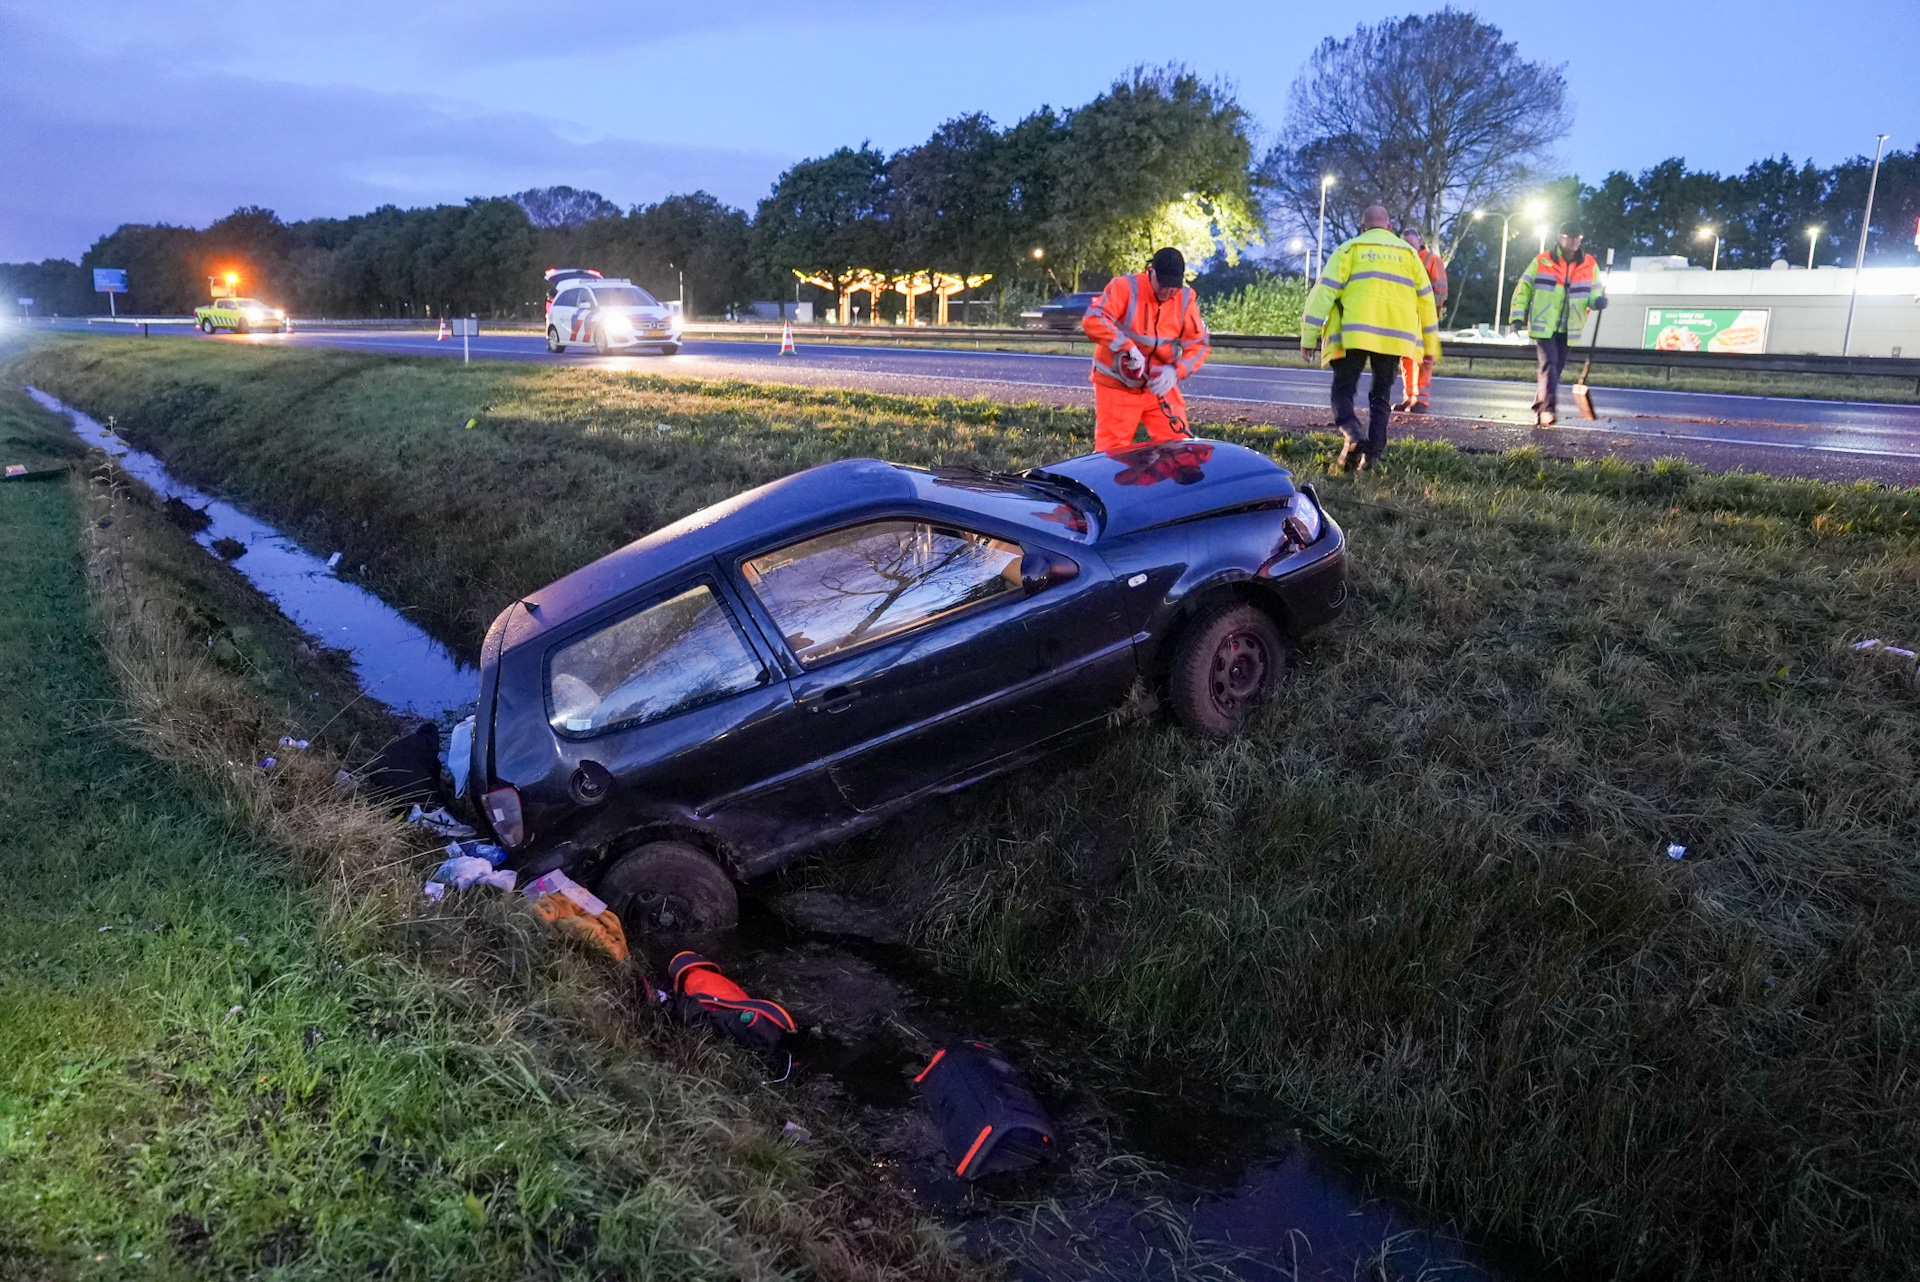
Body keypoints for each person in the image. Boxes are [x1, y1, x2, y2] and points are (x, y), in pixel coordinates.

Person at [1301, 205, 1439, 473]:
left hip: (1353, 334)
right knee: (1381, 398)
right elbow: (1427, 300)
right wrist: (1430, 345)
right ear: (1389, 228)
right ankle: (1371, 459)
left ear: (1362, 227)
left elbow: (1323, 294)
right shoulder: (1409, 255)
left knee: (1343, 391)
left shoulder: (1349, 250)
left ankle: (1353, 433)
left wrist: (1309, 336)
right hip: (1394, 338)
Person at [1081, 247, 1210, 453]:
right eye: (1163, 285)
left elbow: (1198, 344)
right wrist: (1128, 347)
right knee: (1112, 455)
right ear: (1151, 272)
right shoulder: (1125, 287)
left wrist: (1175, 372)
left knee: (1181, 450)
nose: (1168, 292)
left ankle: (1170, 484)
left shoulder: (1185, 299)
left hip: (1159, 385)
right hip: (1117, 385)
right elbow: (1093, 319)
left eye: (1173, 287)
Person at [1509, 221, 1608, 426]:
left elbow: (1594, 291)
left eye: (1577, 237)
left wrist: (1598, 301)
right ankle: (1549, 410)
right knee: (1550, 364)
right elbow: (1524, 287)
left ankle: (1540, 406)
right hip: (1544, 325)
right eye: (1570, 236)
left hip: (1570, 327)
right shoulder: (1542, 261)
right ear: (1560, 238)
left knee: (1555, 368)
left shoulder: (1589, 264)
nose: (1574, 241)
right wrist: (1517, 316)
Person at [1396, 228, 1448, 413]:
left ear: (1420, 241)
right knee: (1407, 357)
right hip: (1407, 317)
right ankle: (1409, 397)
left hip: (1424, 318)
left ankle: (1421, 400)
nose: (1408, 247)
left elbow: (1440, 289)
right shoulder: (1403, 261)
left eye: (1411, 243)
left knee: (1424, 359)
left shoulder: (1432, 260)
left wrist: (1432, 313)